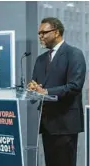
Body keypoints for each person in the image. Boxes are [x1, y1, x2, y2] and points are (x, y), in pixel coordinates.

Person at [28, 17, 86, 166]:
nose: (40, 36)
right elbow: (37, 86)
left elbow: (74, 86)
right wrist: (33, 89)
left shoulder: (74, 54)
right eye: (39, 33)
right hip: (47, 124)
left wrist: (46, 91)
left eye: (44, 32)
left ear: (57, 32)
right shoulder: (40, 59)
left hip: (65, 124)